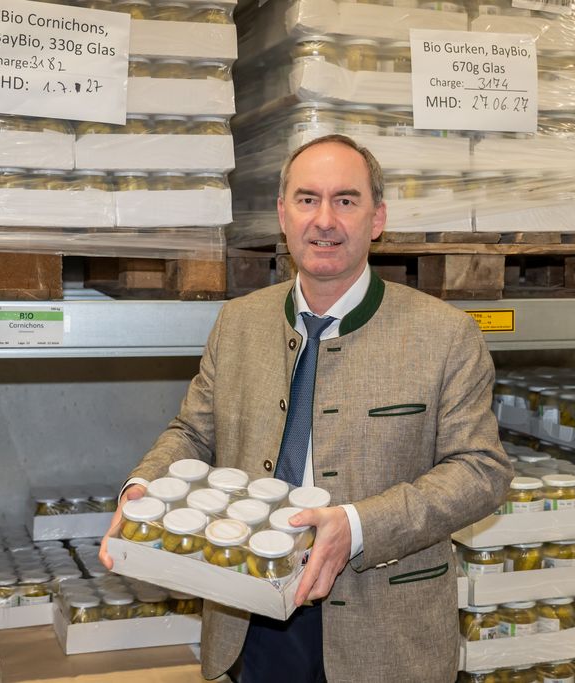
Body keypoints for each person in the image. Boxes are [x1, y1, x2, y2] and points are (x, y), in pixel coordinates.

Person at [100, 134, 512, 682]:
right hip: (250, 611)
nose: (324, 220)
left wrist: (357, 525)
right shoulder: (238, 323)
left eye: (345, 200)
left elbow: (480, 472)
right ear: (282, 214)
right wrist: (142, 488)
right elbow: (193, 434)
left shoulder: (444, 335)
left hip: (385, 629)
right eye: (306, 199)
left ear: (377, 217)